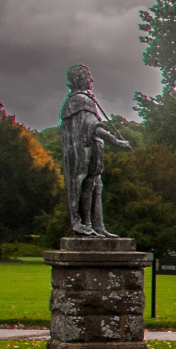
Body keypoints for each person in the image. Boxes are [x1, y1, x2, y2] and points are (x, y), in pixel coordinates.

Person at [59, 64, 131, 237]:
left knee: (96, 185)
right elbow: (92, 127)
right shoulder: (79, 101)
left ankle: (97, 226)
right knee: (84, 184)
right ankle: (84, 224)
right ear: (80, 79)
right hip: (82, 152)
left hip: (92, 151)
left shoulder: (85, 99)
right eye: (88, 76)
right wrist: (116, 141)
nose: (91, 80)